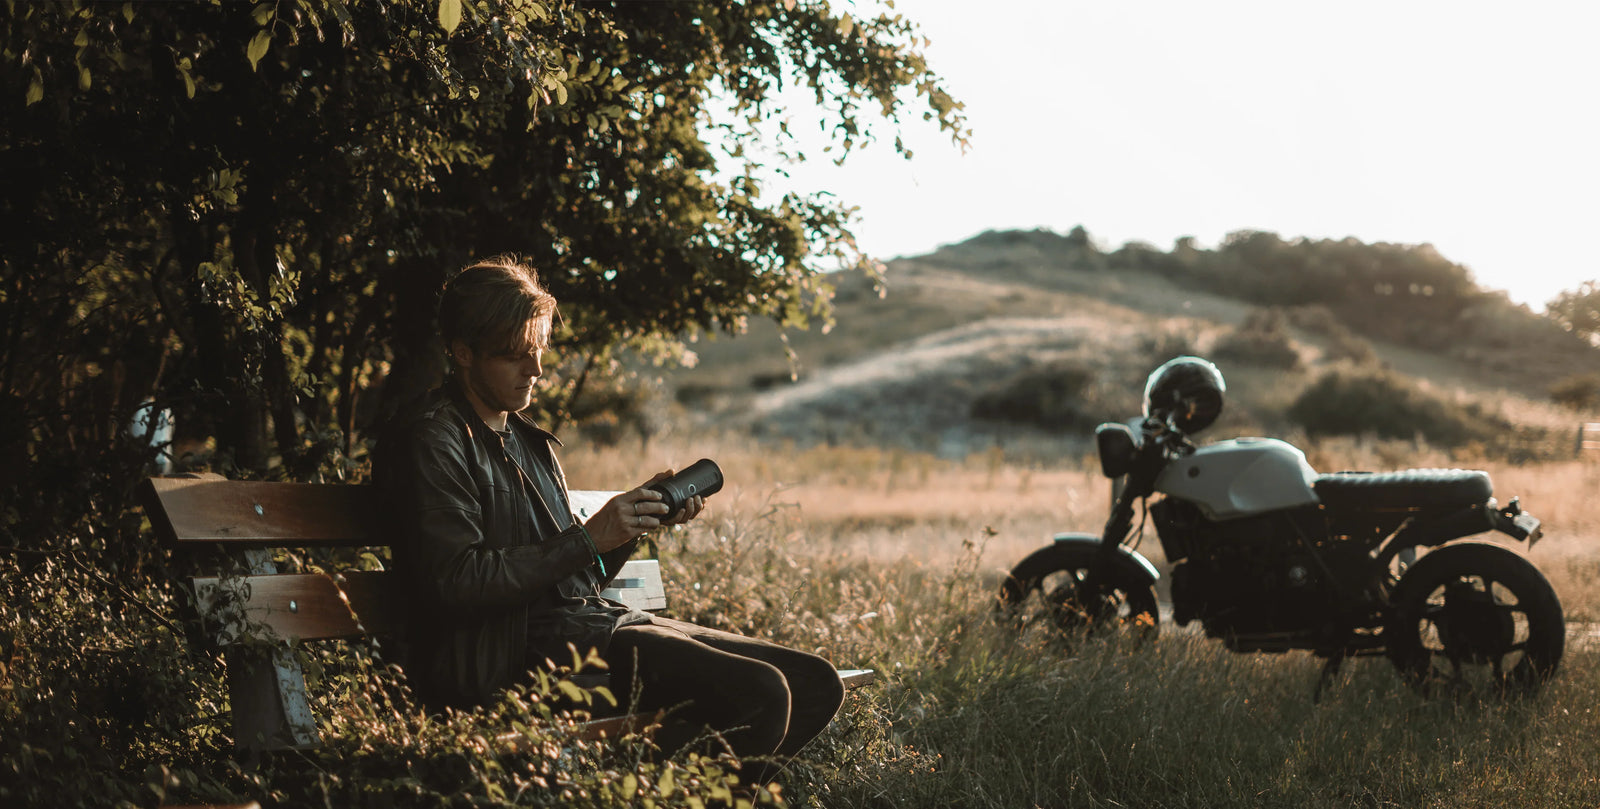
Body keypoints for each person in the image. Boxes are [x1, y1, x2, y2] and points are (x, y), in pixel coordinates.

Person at [374, 255, 845, 767]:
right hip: (509, 659)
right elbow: (455, 581)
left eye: (538, 350)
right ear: (463, 353)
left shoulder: (532, 443)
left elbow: (579, 581)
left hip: (589, 626)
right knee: (764, 692)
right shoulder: (432, 439)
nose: (534, 369)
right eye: (514, 355)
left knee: (813, 682)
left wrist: (632, 525)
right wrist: (587, 540)